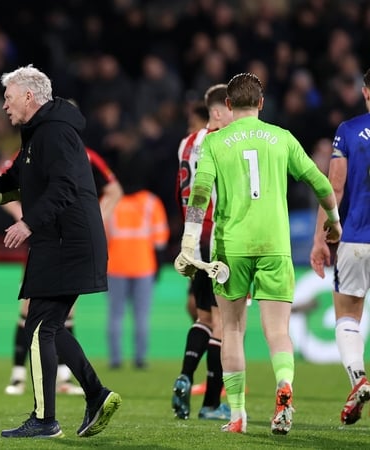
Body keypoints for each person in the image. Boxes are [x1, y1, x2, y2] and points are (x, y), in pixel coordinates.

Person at [175, 72, 341, 435]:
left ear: (229, 105)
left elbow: (200, 195)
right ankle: (284, 386)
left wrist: (189, 241)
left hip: (231, 248)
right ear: (261, 104)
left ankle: (237, 415)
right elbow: (321, 182)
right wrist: (334, 219)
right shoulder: (281, 138)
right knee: (278, 331)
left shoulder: (216, 143)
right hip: (276, 245)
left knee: (232, 329)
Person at [0, 64, 121, 439]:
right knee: (48, 326)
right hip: (64, 241)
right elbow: (12, 183)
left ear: (29, 97)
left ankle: (46, 418)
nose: (4, 106)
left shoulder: (55, 133)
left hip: (68, 243)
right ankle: (95, 394)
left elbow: (64, 187)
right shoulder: (39, 135)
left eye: (8, 97)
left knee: (38, 328)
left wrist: (28, 223)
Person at [0, 147, 123, 396]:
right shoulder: (33, 151)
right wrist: (23, 215)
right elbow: (0, 179)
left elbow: (115, 190)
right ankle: (18, 376)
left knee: (61, 313)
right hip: (46, 238)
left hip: (72, 240)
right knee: (32, 309)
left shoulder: (84, 155)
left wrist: (95, 218)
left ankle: (64, 381)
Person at [310, 67, 370, 426]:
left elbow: (335, 186)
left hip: (357, 239)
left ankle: (358, 378)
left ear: (366, 92)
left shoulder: (348, 131)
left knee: (348, 315)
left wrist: (321, 238)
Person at [172, 84, 234, 421]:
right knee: (223, 321)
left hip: (193, 239)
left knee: (203, 318)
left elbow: (179, 189)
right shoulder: (222, 142)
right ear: (219, 111)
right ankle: (211, 403)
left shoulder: (187, 142)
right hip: (219, 236)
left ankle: (184, 375)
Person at [105, 176, 168, 370]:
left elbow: (100, 234)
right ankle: (140, 359)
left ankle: (115, 360)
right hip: (143, 265)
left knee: (115, 315)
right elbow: (160, 240)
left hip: (115, 265)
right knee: (141, 315)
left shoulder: (110, 202)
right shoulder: (151, 202)